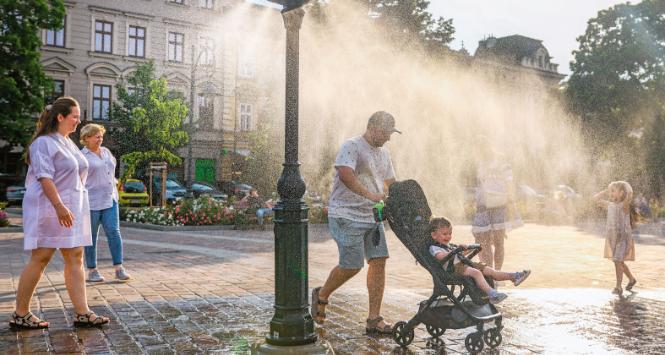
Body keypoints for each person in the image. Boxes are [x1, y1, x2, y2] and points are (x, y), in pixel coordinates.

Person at [9, 97, 110, 329]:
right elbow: (45, 177)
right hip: (50, 208)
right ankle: (20, 313)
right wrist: (59, 206)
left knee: (75, 257)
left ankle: (82, 312)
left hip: (71, 210)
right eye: (74, 116)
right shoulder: (43, 143)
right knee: (41, 257)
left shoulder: (68, 143)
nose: (79, 120)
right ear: (60, 117)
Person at [312, 111, 400, 335]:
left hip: (371, 216)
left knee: (379, 261)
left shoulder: (384, 153)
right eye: (386, 132)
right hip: (346, 214)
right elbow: (345, 174)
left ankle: (374, 319)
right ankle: (322, 294)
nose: (389, 137)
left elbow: (390, 182)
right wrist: (371, 195)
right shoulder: (352, 146)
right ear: (372, 127)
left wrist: (400, 199)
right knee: (352, 265)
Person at [429, 217, 530, 304]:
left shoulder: (449, 246)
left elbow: (458, 256)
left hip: (463, 264)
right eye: (444, 234)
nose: (448, 236)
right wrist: (455, 251)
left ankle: (514, 276)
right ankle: (492, 294)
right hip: (453, 269)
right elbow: (442, 257)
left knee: (490, 271)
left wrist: (468, 249)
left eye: (450, 233)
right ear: (434, 235)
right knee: (477, 273)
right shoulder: (435, 248)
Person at [80, 124, 130, 282]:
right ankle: (92, 270)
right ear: (86, 138)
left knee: (114, 233)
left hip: (110, 199)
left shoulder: (106, 152)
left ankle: (119, 268)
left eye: (101, 136)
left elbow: (111, 171)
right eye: (96, 136)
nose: (100, 138)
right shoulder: (82, 156)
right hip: (91, 202)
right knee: (91, 237)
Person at [471, 136, 522, 271]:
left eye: (484, 147)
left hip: (500, 205)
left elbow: (509, 183)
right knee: (483, 241)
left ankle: (497, 273)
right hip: (483, 205)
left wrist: (511, 202)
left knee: (499, 242)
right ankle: (490, 273)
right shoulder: (479, 164)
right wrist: (476, 201)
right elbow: (479, 185)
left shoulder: (503, 163)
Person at [593, 181, 637, 295]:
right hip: (613, 238)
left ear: (621, 193)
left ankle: (618, 286)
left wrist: (625, 187)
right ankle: (631, 279)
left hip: (622, 238)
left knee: (617, 260)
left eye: (613, 191)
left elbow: (629, 195)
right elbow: (595, 199)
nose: (610, 193)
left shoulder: (624, 206)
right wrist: (607, 190)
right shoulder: (610, 205)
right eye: (610, 191)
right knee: (619, 262)